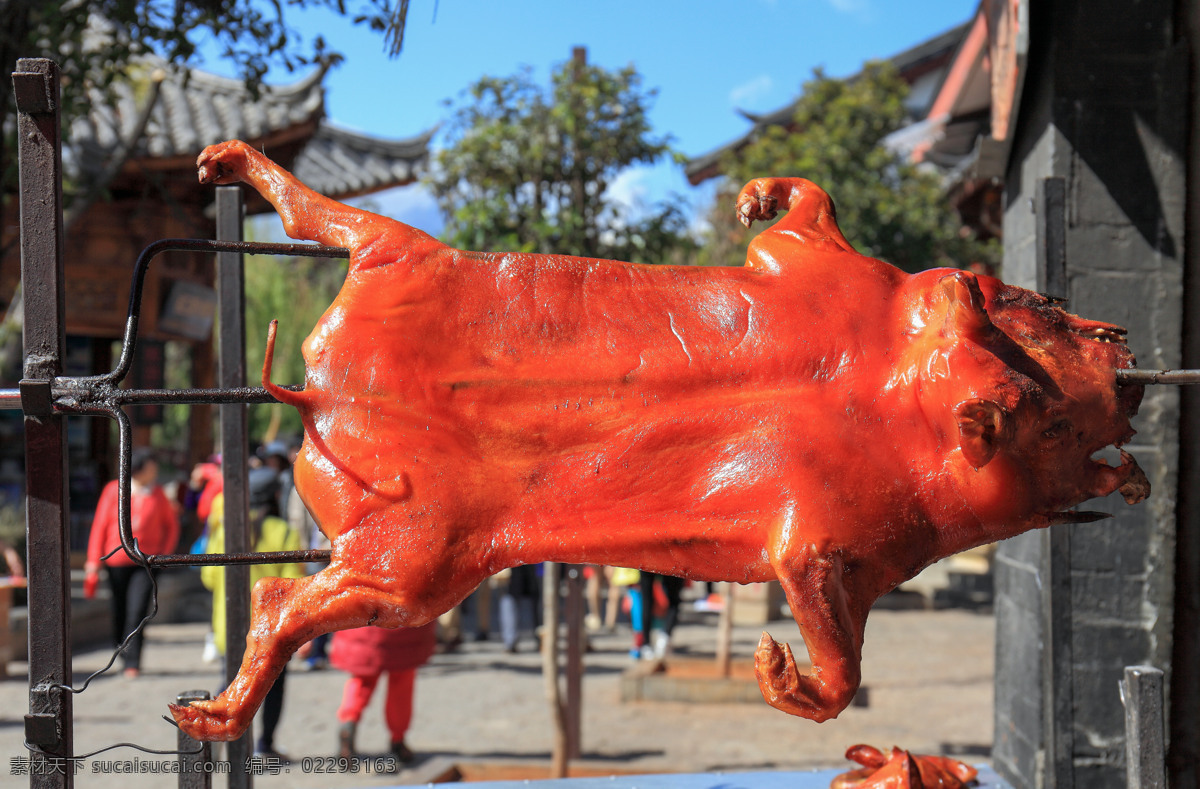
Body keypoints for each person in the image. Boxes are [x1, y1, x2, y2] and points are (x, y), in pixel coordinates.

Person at [201, 466, 303, 759]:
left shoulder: (225, 530)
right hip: (271, 630)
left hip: (229, 625)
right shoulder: (283, 532)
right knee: (273, 687)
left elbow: (208, 579)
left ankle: (216, 736)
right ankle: (265, 746)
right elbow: (291, 586)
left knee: (232, 683)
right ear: (275, 496)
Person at [84, 448, 179, 678]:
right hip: (116, 560)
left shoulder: (157, 494)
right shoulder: (112, 491)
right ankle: (122, 650)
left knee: (137, 611)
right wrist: (92, 561)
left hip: (145, 562)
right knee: (119, 609)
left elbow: (171, 526)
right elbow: (100, 526)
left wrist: (164, 555)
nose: (154, 470)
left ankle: (133, 662)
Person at [332, 620, 437, 765]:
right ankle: (397, 739)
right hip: (402, 626)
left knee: (362, 679)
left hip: (365, 625)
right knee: (401, 683)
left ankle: (349, 719)